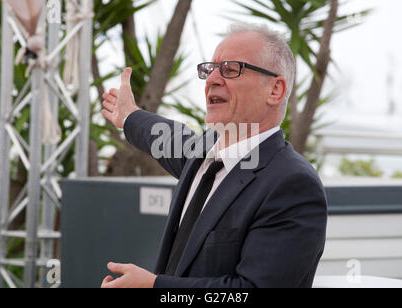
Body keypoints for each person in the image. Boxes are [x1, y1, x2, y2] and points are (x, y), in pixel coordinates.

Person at [100, 23, 327, 288]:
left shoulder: (292, 184)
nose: (212, 80)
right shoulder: (203, 154)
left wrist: (154, 287)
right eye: (210, 69)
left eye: (231, 69)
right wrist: (129, 115)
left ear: (275, 90)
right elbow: (163, 135)